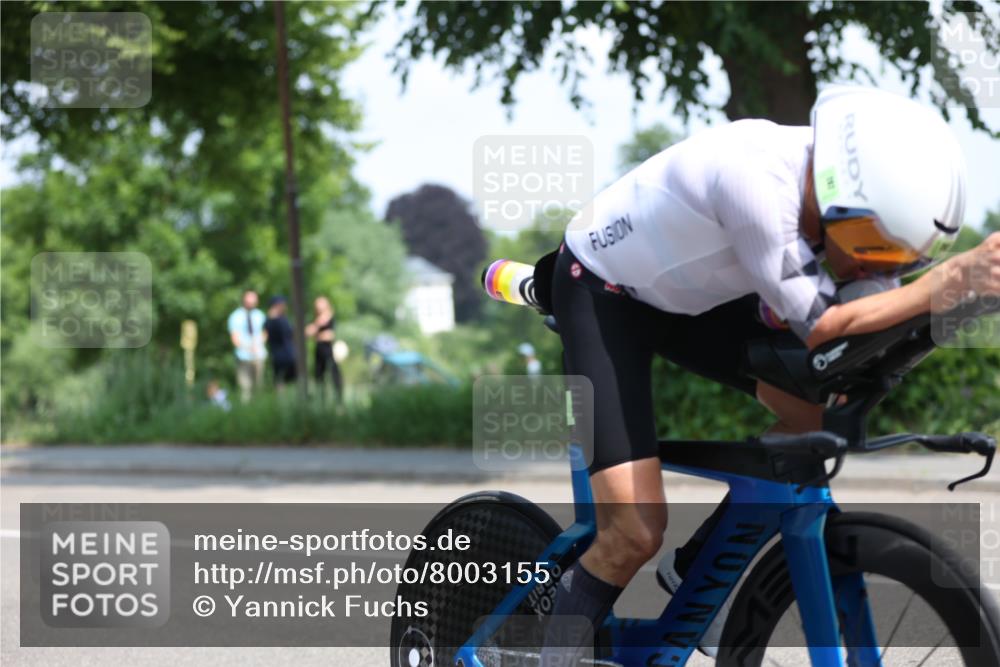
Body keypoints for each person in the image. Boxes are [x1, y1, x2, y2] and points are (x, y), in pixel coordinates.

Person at [537, 86, 1000, 664]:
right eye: (866, 248)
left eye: (892, 260)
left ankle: (697, 567)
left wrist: (969, 300)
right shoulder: (754, 181)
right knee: (632, 531)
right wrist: (947, 281)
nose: (867, 269)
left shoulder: (852, 212)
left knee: (815, 415)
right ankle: (546, 655)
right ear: (834, 198)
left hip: (692, 295)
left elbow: (865, 343)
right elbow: (827, 328)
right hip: (602, 289)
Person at [227, 289, 267, 402]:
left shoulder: (260, 315)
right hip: (243, 356)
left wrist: (258, 345)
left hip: (259, 355)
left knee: (259, 387)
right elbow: (235, 338)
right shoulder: (235, 316)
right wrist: (248, 348)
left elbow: (265, 333)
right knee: (245, 389)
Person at [305, 296, 344, 402]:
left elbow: (330, 335)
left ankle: (339, 400)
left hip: (329, 351)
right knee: (318, 376)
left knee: (334, 374)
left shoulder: (331, 318)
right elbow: (307, 332)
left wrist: (318, 335)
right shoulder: (317, 320)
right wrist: (318, 324)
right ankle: (321, 400)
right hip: (318, 351)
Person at [264, 296, 297, 389]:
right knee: (280, 382)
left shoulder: (283, 318)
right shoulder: (271, 320)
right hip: (279, 356)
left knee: (292, 382)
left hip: (290, 354)